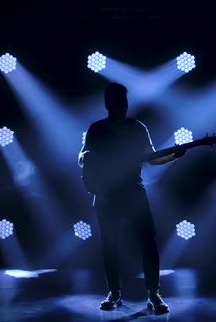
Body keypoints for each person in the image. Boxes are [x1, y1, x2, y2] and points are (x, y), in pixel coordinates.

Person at [78, 82, 186, 313]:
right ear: (108, 104)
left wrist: (175, 155)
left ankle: (154, 294)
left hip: (134, 192)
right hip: (105, 195)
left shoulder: (138, 128)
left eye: (125, 103)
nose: (123, 107)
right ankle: (114, 293)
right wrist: (87, 158)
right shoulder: (96, 129)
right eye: (118, 103)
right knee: (110, 245)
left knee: (148, 243)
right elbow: (83, 157)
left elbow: (152, 158)